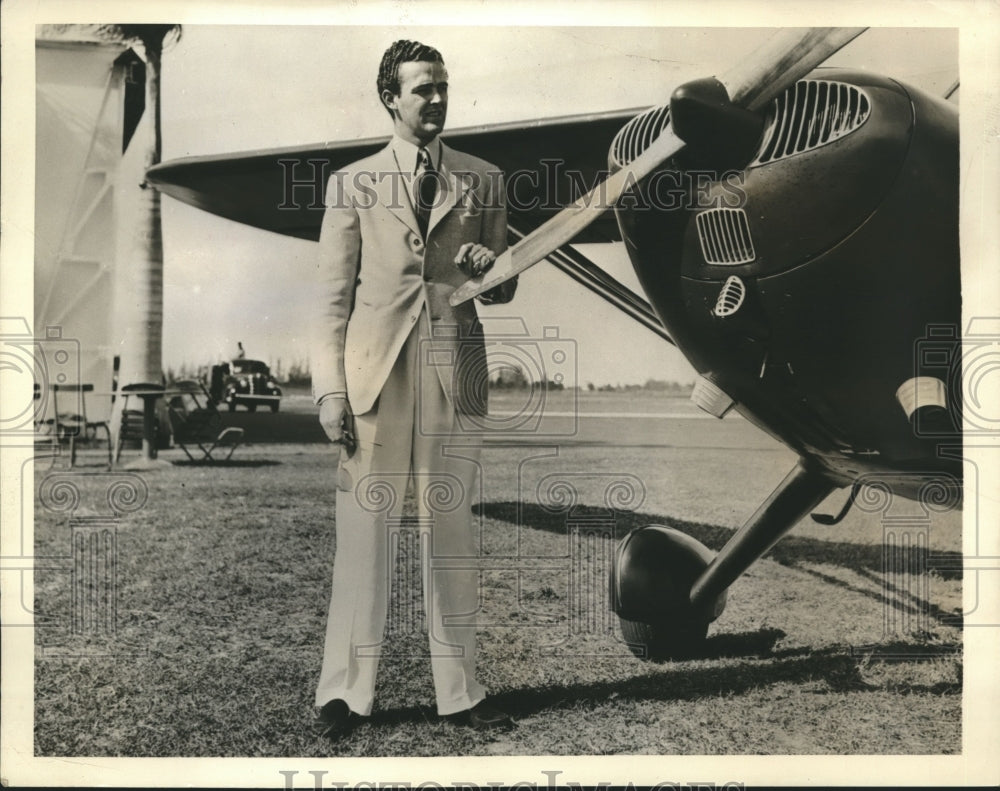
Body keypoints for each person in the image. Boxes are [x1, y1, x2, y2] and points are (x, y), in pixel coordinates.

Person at [310, 39, 518, 740]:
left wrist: (492, 265)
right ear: (390, 98)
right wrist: (329, 392)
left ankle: (460, 693)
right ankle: (344, 692)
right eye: (422, 89)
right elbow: (331, 302)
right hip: (373, 377)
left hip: (453, 370)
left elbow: (507, 280)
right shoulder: (352, 184)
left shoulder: (485, 179)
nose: (436, 99)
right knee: (363, 534)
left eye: (443, 87)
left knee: (448, 534)